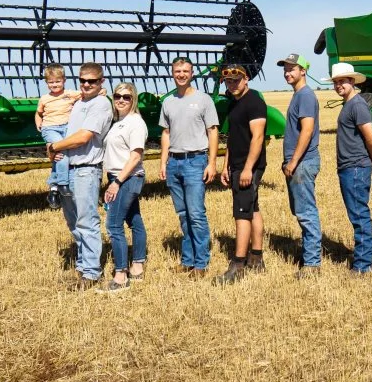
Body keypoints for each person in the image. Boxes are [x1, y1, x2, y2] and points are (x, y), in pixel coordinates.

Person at [46, 62, 113, 290]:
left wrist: (54, 146)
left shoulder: (101, 104)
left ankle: (92, 273)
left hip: (86, 169)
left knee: (87, 220)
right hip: (68, 168)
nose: (86, 84)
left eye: (92, 81)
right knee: (73, 222)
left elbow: (83, 137)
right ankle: (84, 265)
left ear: (101, 82)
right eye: (82, 80)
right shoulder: (77, 103)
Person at [159, 56, 219, 278]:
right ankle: (188, 260)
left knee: (196, 214)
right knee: (183, 214)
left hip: (196, 161)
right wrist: (163, 161)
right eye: (177, 71)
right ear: (172, 73)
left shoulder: (203, 100)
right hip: (174, 162)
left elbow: (213, 131)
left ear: (192, 73)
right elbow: (166, 133)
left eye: (185, 71)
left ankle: (201, 263)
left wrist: (212, 163)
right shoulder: (168, 102)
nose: (181, 74)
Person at [215, 63, 268, 285]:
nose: (233, 84)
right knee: (252, 209)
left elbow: (257, 138)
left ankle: (238, 264)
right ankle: (256, 257)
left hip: (249, 166)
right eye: (228, 81)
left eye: (236, 80)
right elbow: (233, 138)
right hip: (236, 164)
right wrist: (226, 165)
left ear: (246, 79)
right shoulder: (234, 103)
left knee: (241, 213)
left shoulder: (254, 102)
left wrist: (247, 169)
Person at [331, 62, 372, 275]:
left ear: (352, 81)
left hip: (354, 167)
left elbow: (371, 138)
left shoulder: (357, 105)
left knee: (359, 215)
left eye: (343, 81)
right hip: (350, 166)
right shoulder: (349, 104)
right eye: (336, 82)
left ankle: (363, 265)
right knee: (357, 213)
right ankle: (362, 260)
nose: (339, 85)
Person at [99, 82, 148, 293]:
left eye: (126, 97)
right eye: (117, 95)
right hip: (119, 176)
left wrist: (116, 183)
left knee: (113, 225)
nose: (121, 100)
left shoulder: (135, 123)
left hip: (127, 177)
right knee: (134, 220)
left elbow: (136, 156)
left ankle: (121, 276)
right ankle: (138, 264)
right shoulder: (119, 121)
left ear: (133, 99)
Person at [279, 52, 322, 279]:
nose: (287, 72)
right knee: (301, 211)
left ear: (303, 71)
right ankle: (309, 256)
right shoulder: (298, 95)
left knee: (306, 212)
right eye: (285, 69)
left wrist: (293, 161)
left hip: (303, 163)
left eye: (292, 69)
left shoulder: (305, 95)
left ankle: (312, 263)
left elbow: (307, 130)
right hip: (298, 163)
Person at [36, 64, 82, 208]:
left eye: (57, 81)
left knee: (61, 157)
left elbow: (88, 93)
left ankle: (54, 189)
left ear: (64, 80)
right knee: (62, 155)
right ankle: (63, 184)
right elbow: (38, 113)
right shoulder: (44, 98)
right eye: (51, 82)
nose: (54, 84)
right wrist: (39, 124)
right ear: (46, 83)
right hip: (50, 128)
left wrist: (102, 90)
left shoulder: (69, 94)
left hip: (67, 128)